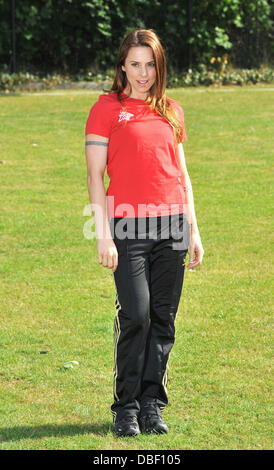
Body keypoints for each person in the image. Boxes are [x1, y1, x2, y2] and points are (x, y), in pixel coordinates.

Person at [85, 28, 204, 437]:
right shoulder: (105, 109)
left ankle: (152, 405)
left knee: (162, 319)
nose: (142, 72)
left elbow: (182, 173)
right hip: (126, 226)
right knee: (136, 316)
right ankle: (125, 406)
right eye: (135, 63)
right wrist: (102, 234)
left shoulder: (172, 109)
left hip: (172, 225)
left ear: (159, 66)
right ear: (122, 66)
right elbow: (95, 176)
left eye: (150, 64)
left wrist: (194, 227)